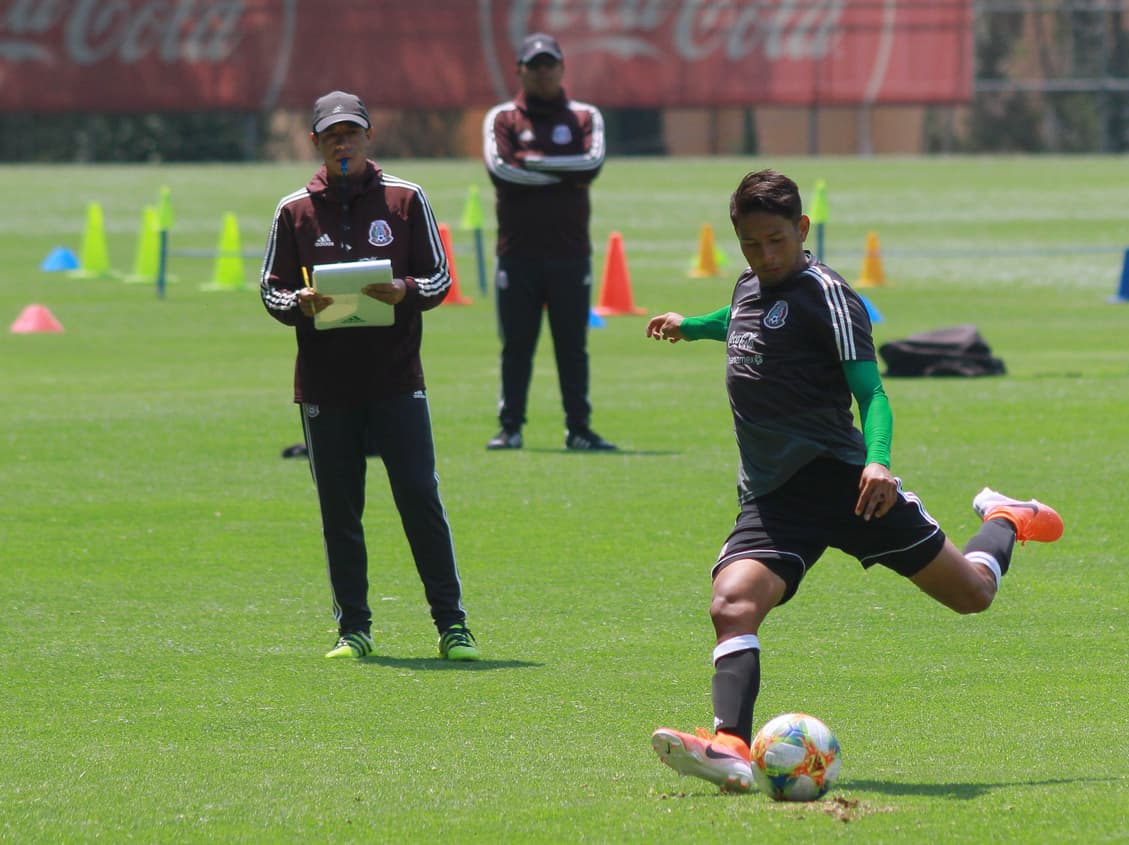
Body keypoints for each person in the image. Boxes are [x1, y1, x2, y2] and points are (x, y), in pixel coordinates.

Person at [644, 170, 1063, 793]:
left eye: (777, 241)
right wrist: (692, 325)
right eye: (751, 245)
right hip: (774, 496)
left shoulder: (831, 296)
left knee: (973, 594)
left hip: (850, 486)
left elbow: (872, 392)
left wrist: (879, 461)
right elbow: (740, 316)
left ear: (803, 229)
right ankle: (730, 742)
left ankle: (1004, 517)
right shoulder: (752, 284)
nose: (765, 256)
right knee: (731, 604)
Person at [260, 90, 480, 661]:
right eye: (331, 135)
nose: (342, 143)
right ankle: (353, 629)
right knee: (340, 508)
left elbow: (440, 280)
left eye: (351, 133)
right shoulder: (293, 211)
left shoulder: (406, 200)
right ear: (316, 143)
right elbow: (269, 289)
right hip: (325, 386)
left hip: (396, 377)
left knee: (418, 497)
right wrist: (299, 301)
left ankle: (452, 626)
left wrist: (405, 289)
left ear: (368, 136)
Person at [481, 32, 615, 451]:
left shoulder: (584, 115)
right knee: (516, 346)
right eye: (534, 65)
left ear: (561, 68)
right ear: (519, 70)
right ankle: (510, 428)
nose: (542, 72)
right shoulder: (502, 117)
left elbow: (591, 165)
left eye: (549, 64)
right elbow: (501, 170)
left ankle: (579, 429)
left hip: (570, 252)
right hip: (516, 254)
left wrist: (535, 162)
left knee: (573, 346)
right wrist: (563, 174)